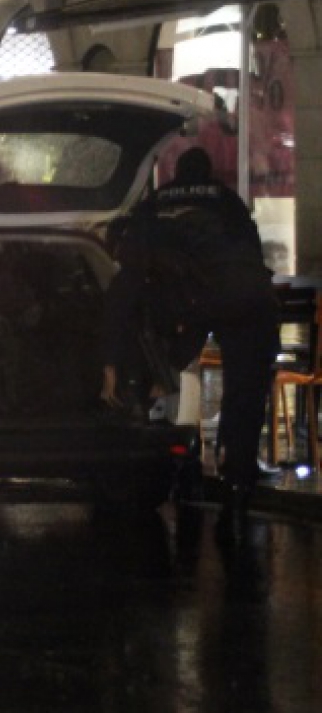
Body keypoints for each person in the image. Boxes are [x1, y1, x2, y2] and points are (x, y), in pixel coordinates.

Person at [101, 147, 279, 530]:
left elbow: (125, 297)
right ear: (208, 173)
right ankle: (237, 485)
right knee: (246, 393)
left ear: (174, 175)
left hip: (200, 295)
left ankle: (170, 462)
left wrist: (113, 363)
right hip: (252, 298)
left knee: (156, 355)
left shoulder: (152, 209)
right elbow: (249, 249)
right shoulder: (226, 199)